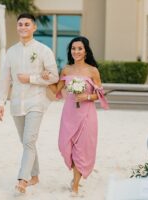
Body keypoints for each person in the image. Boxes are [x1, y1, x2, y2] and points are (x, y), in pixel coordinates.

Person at [0, 13, 59, 194]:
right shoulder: (11, 52)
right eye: (20, 24)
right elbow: (4, 80)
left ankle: (22, 179)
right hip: (16, 103)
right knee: (26, 142)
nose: (23, 27)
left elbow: (54, 76)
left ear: (34, 27)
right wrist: (0, 103)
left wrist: (31, 78)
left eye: (27, 24)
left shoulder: (43, 50)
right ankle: (35, 175)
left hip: (37, 101)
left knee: (29, 140)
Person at [42, 36, 108, 196]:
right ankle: (75, 176)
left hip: (87, 114)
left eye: (79, 48)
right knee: (67, 146)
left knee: (81, 149)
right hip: (69, 113)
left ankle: (75, 185)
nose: (76, 51)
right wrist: (45, 79)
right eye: (73, 48)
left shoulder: (93, 71)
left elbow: (100, 94)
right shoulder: (66, 69)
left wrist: (86, 97)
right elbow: (56, 90)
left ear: (86, 51)